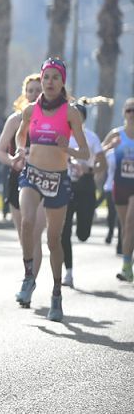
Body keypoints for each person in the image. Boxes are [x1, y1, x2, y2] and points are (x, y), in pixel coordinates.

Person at [12, 58, 89, 321]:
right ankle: (28, 277)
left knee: (53, 240)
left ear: (62, 82)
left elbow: (84, 151)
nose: (50, 82)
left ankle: (56, 293)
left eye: (56, 78)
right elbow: (20, 135)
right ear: (41, 80)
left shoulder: (71, 113)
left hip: (57, 178)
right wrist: (22, 150)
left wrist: (66, 147)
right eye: (47, 77)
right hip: (32, 174)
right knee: (27, 222)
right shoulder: (30, 110)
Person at [0, 74, 48, 292]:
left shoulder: (51, 120)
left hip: (45, 179)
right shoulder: (15, 120)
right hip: (18, 179)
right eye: (31, 90)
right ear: (25, 93)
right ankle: (29, 275)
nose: (35, 94)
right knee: (25, 236)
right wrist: (12, 161)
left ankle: (29, 284)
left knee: (35, 233)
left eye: (38, 90)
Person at [62, 97, 108, 287]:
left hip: (86, 185)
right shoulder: (63, 135)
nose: (75, 118)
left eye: (78, 116)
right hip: (66, 184)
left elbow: (102, 163)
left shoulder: (91, 137)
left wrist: (88, 169)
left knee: (82, 234)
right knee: (64, 231)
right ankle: (69, 272)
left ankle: (84, 228)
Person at [101, 97, 134, 282]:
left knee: (130, 224)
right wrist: (109, 146)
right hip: (120, 185)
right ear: (124, 113)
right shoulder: (117, 134)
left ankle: (126, 266)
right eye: (129, 110)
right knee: (125, 228)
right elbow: (100, 151)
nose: (132, 114)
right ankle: (130, 261)